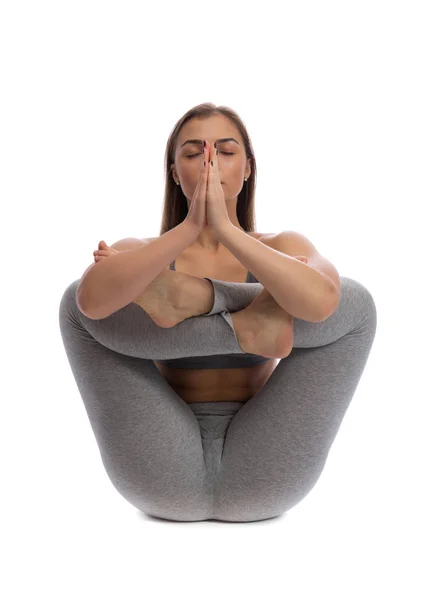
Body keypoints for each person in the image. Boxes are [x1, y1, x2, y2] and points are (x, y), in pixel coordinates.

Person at [58, 103, 377, 523]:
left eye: (225, 151)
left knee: (356, 304)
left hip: (267, 469)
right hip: (160, 470)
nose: (210, 162)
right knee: (75, 302)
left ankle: (204, 299)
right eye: (193, 153)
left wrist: (225, 234)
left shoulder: (281, 246)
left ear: (248, 168)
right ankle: (251, 325)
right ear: (175, 173)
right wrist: (190, 229)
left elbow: (325, 302)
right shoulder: (143, 253)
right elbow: (89, 303)